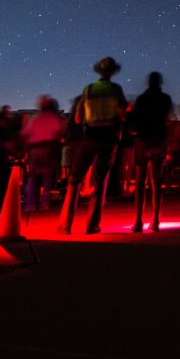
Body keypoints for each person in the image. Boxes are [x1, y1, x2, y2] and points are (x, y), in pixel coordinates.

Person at [60, 57, 127, 234]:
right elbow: (123, 114)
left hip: (89, 136)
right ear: (112, 73)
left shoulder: (88, 89)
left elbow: (77, 117)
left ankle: (65, 224)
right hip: (109, 138)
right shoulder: (116, 89)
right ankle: (92, 225)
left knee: (75, 179)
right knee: (100, 181)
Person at [128, 72, 173, 233]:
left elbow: (134, 119)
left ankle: (138, 221)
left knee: (140, 182)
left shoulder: (141, 99)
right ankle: (155, 220)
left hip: (143, 140)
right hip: (159, 139)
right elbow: (168, 120)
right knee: (156, 181)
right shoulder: (166, 99)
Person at [21, 95, 66, 213]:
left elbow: (26, 134)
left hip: (34, 149)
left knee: (33, 178)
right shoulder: (56, 118)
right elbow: (60, 133)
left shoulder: (36, 118)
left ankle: (30, 204)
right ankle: (45, 203)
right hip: (49, 148)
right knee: (47, 177)